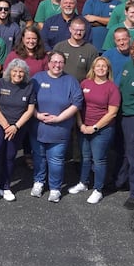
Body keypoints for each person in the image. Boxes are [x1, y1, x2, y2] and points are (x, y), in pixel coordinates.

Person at [0, 59, 36, 204]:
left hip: (17, 128)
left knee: (9, 157)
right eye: (15, 71)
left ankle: (5, 187)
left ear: (25, 73)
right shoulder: (1, 83)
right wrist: (6, 126)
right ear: (9, 72)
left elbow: (30, 110)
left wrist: (15, 127)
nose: (17, 74)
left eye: (21, 71)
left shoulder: (29, 86)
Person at [29, 52, 82, 203]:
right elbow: (28, 100)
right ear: (48, 63)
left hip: (60, 130)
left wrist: (59, 118)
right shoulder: (37, 78)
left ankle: (55, 188)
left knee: (56, 160)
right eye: (54, 62)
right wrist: (37, 114)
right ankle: (38, 182)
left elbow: (77, 104)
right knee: (38, 157)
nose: (57, 65)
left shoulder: (70, 81)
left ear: (64, 64)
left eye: (60, 62)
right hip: (38, 128)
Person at [72, 56, 119, 204]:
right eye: (98, 66)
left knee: (99, 160)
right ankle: (83, 182)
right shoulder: (85, 83)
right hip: (84, 127)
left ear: (108, 69)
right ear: (93, 68)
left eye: (104, 66)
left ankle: (98, 189)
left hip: (102, 130)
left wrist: (95, 127)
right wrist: (81, 125)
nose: (100, 68)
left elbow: (112, 112)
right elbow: (78, 105)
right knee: (85, 157)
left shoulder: (112, 88)